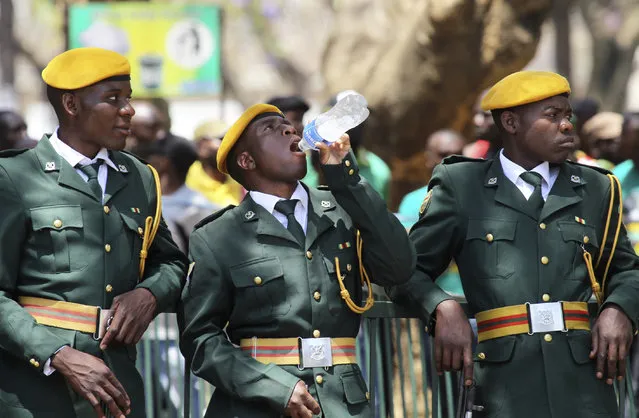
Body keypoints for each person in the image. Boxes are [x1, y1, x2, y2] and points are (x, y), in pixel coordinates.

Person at [389, 71, 639, 418]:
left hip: (583, 383)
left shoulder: (597, 187)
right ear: (510, 122)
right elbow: (406, 271)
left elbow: (627, 270)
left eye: (568, 116)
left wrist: (619, 309)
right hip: (504, 387)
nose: (566, 126)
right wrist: (441, 307)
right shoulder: (463, 185)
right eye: (552, 116)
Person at [178, 104, 415, 417]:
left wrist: (346, 180)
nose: (290, 130)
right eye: (271, 129)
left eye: (289, 125)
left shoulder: (343, 206)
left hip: (341, 403)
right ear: (247, 160)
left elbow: (398, 267)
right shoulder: (218, 235)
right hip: (258, 405)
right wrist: (273, 385)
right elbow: (200, 339)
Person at [0, 47, 187, 418]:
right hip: (34, 391)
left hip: (117, 387)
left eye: (128, 98)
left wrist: (150, 294)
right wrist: (57, 354)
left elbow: (171, 262)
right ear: (71, 104)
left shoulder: (140, 178)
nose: (128, 110)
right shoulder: (14, 177)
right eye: (113, 99)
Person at [302, 91, 392, 202]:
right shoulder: (304, 166)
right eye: (346, 117)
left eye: (358, 118)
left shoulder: (379, 170)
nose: (354, 124)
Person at [146, 137, 218, 253]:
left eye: (152, 156)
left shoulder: (194, 210)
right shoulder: (199, 203)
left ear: (164, 162)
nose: (148, 161)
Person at [185, 120, 244, 206]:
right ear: (202, 147)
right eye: (223, 139)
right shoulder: (190, 188)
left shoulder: (240, 178)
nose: (231, 144)